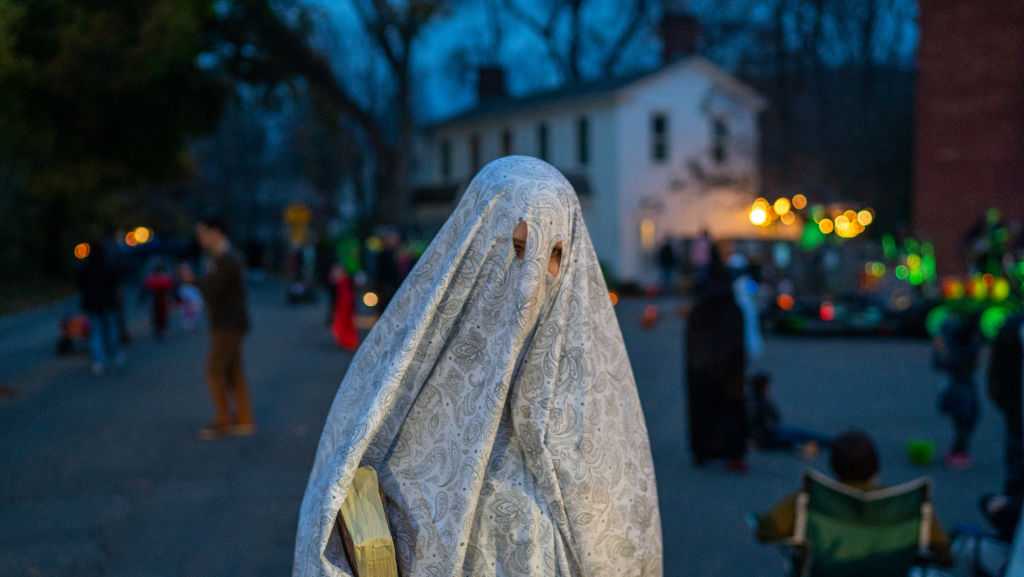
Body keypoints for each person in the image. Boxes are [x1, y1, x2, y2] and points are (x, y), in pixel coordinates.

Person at [293, 156, 662, 577]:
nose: (533, 279)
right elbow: (337, 511)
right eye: (519, 249)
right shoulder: (406, 371)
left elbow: (622, 527)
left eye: (554, 254)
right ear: (475, 246)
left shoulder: (592, 384)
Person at [756, 430, 953, 566]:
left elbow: (767, 531)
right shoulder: (905, 503)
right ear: (876, 467)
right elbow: (943, 550)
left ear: (834, 467)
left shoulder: (809, 500)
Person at [182, 215, 255, 440]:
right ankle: (243, 420)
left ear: (215, 233)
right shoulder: (223, 257)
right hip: (231, 322)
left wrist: (192, 280)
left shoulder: (226, 258)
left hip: (227, 324)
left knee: (214, 370)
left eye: (203, 233)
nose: (200, 238)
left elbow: (213, 289)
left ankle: (224, 421)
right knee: (233, 371)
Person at [685, 247, 749, 472]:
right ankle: (730, 452)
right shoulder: (732, 308)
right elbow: (738, 344)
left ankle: (704, 451)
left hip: (702, 369)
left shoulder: (700, 309)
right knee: (731, 409)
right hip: (727, 369)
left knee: (704, 410)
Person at [934, 313, 981, 469]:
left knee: (966, 418)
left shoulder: (957, 341)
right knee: (965, 418)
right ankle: (958, 452)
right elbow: (942, 363)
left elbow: (941, 363)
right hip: (960, 383)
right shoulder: (961, 343)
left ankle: (958, 451)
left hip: (961, 383)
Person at [749, 373, 831, 457]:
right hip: (768, 437)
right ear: (764, 388)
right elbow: (775, 417)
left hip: (765, 436)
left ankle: (826, 443)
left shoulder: (753, 401)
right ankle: (830, 443)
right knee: (800, 435)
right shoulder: (762, 403)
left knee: (799, 434)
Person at [77, 240, 124, 375]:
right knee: (111, 330)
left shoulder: (85, 268)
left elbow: (80, 285)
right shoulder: (108, 266)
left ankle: (98, 361)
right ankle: (115, 355)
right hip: (108, 303)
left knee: (96, 332)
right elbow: (116, 284)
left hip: (92, 305)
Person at [329, 263, 359, 351]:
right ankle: (345, 340)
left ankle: (348, 341)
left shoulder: (345, 280)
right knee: (343, 323)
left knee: (345, 323)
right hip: (342, 304)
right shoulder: (343, 280)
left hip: (345, 304)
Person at [142, 260, 175, 339]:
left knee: (159, 314)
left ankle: (159, 329)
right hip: (160, 299)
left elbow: (146, 287)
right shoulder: (164, 278)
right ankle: (161, 329)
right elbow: (170, 286)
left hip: (157, 299)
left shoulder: (152, 278)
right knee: (161, 315)